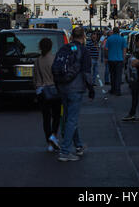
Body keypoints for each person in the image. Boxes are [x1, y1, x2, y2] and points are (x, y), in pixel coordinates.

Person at [56, 26, 95, 162]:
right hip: (76, 89)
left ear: (72, 36)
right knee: (71, 120)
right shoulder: (84, 51)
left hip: (63, 88)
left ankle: (78, 146)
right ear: (83, 37)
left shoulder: (64, 49)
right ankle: (65, 152)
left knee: (69, 119)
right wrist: (91, 89)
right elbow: (87, 73)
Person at [33, 38, 62, 152]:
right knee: (56, 116)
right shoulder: (54, 59)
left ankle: (49, 142)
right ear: (51, 47)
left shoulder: (37, 61)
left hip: (41, 92)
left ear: (40, 47)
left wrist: (37, 87)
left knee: (46, 118)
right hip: (54, 91)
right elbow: (58, 76)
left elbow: (34, 79)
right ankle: (53, 137)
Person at [105, 27, 126, 96]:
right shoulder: (122, 39)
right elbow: (124, 50)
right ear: (119, 31)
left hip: (111, 59)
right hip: (119, 59)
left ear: (113, 32)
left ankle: (113, 89)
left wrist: (106, 57)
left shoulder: (109, 39)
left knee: (112, 75)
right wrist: (124, 58)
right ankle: (118, 90)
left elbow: (106, 49)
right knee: (118, 75)